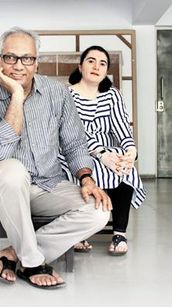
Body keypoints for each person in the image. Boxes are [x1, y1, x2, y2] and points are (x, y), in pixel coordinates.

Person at [0, 27, 112, 289]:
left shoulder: (57, 93)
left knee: (98, 211)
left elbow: (74, 142)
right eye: (11, 58)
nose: (19, 66)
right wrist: (16, 95)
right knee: (13, 170)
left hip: (46, 184)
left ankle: (16, 254)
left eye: (27, 59)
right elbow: (0, 153)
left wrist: (86, 178)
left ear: (37, 62)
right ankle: (34, 263)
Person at [60, 45, 146, 255]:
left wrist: (130, 153)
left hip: (107, 149)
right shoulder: (66, 94)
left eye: (102, 63)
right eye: (91, 61)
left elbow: (123, 130)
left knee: (126, 169)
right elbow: (71, 134)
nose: (96, 66)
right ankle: (80, 232)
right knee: (86, 168)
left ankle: (119, 233)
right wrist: (101, 154)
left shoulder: (112, 96)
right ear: (80, 66)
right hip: (73, 149)